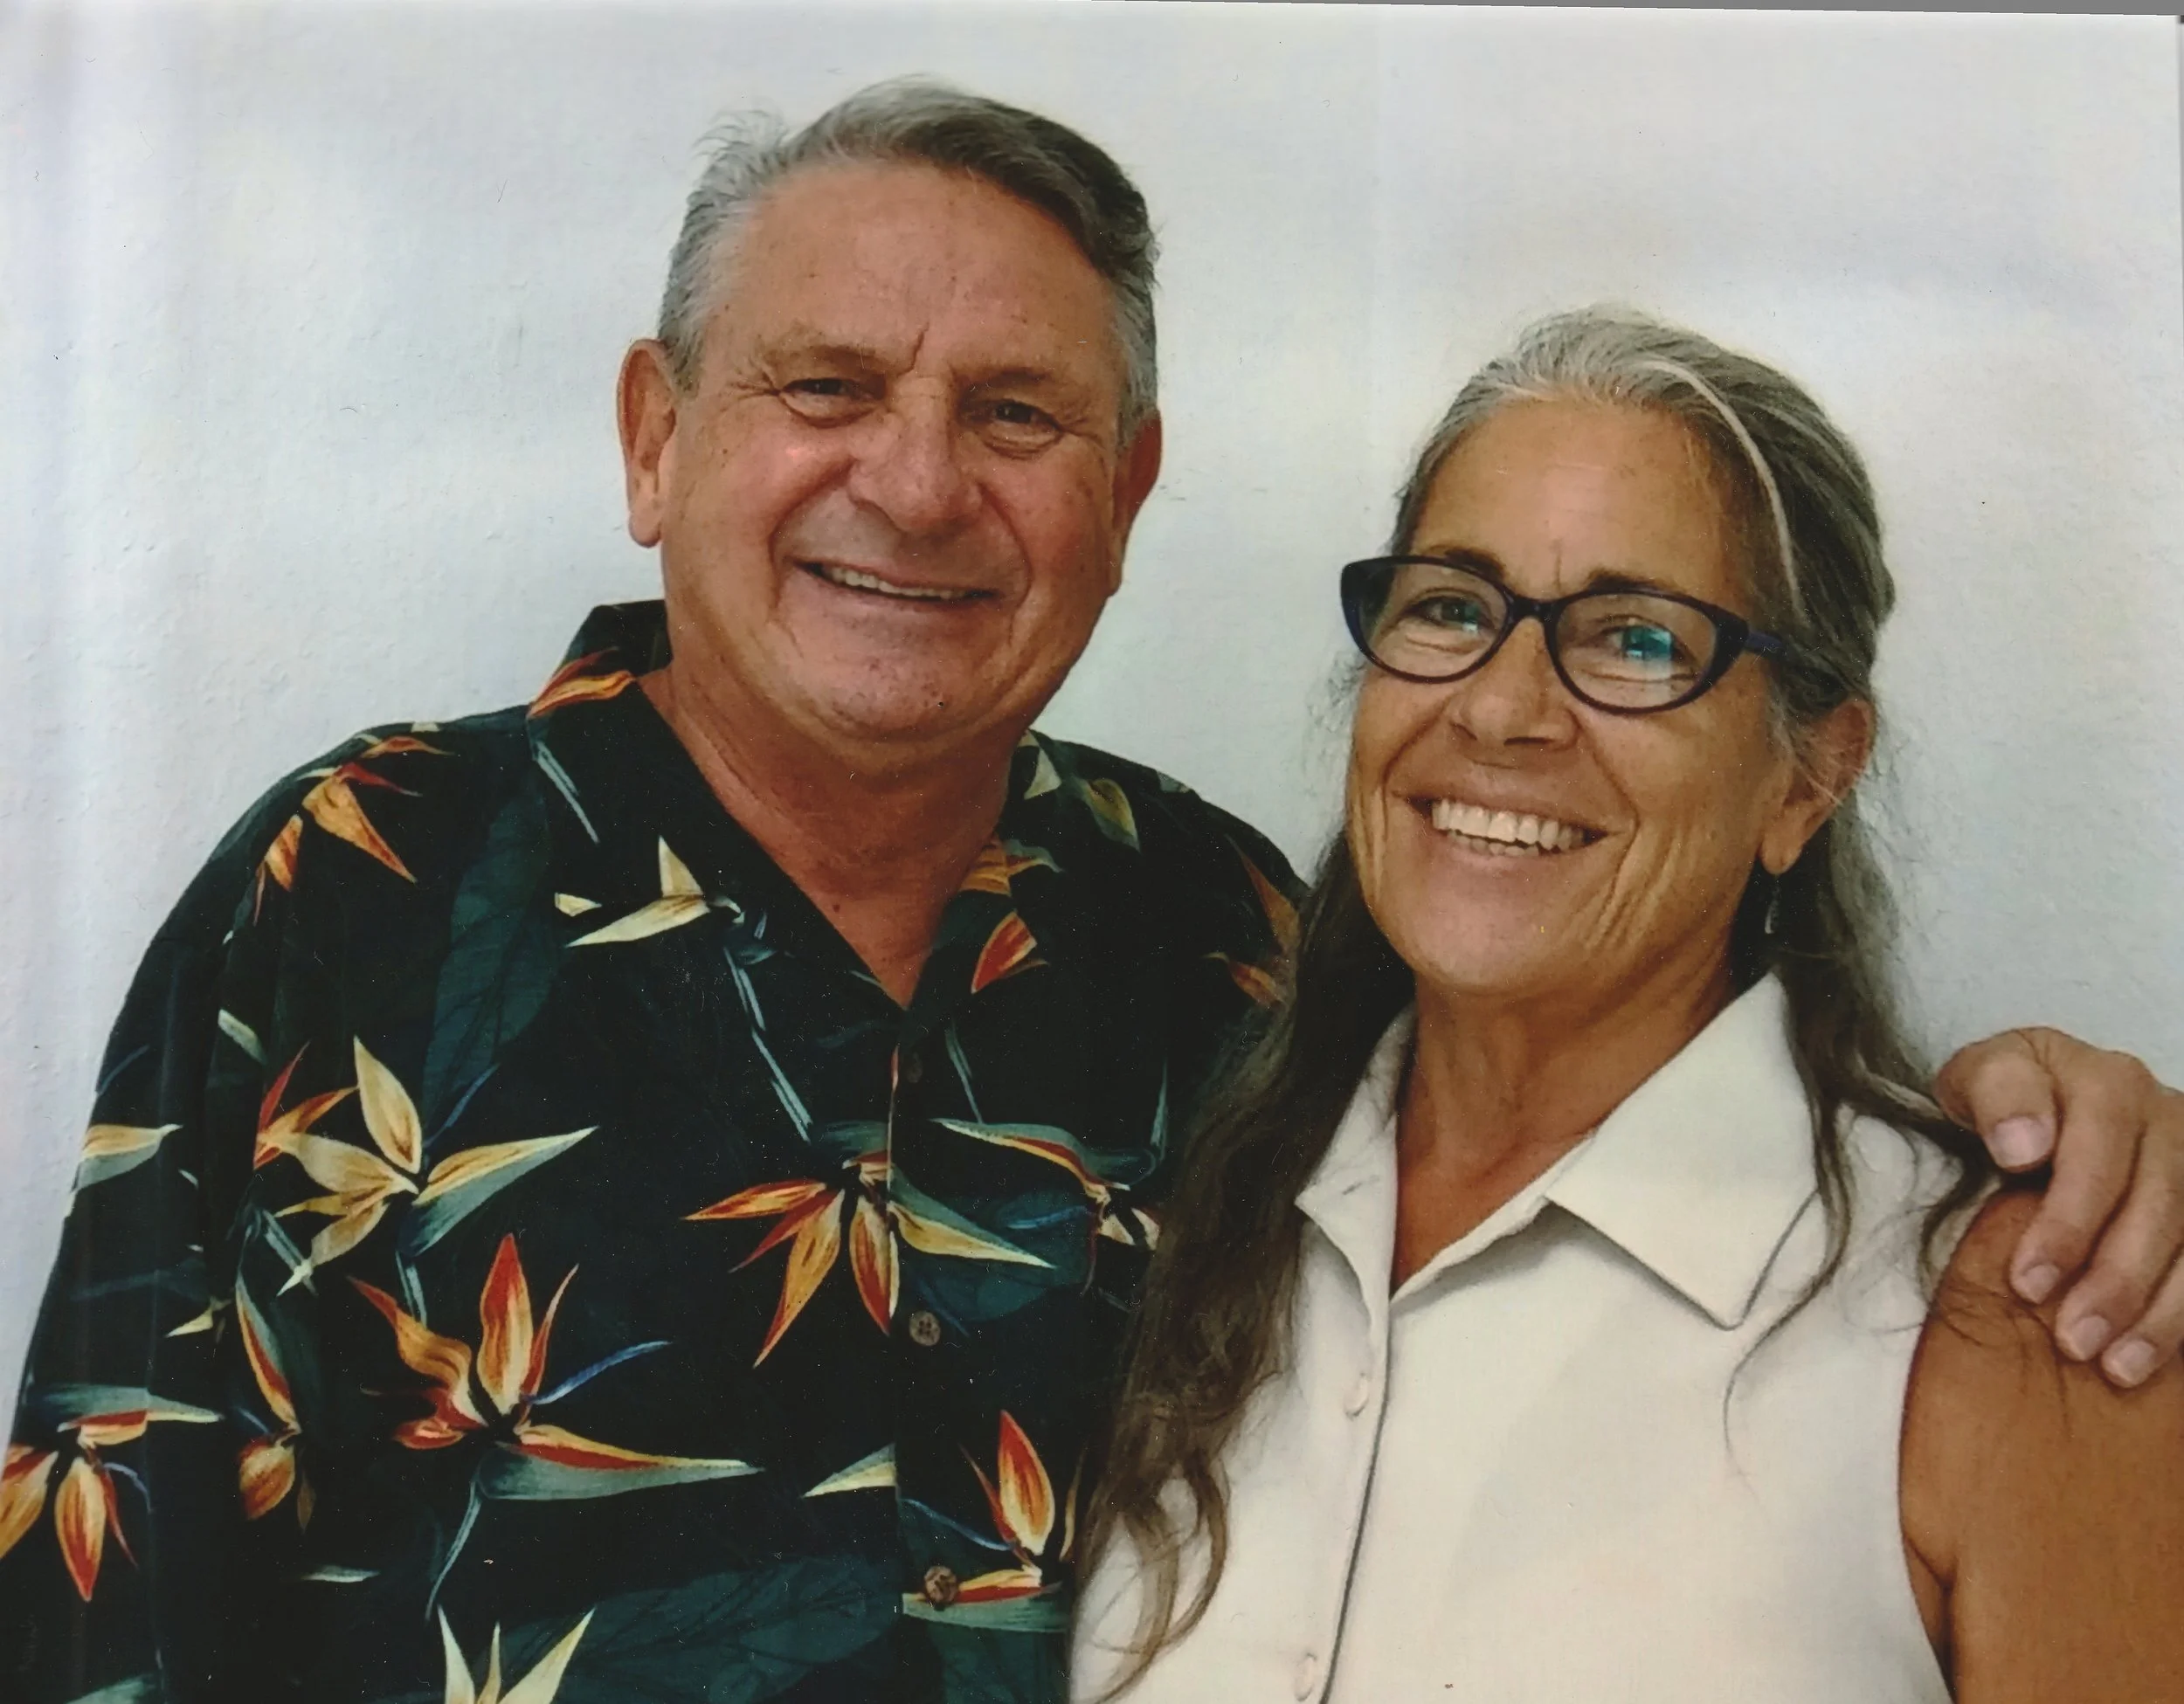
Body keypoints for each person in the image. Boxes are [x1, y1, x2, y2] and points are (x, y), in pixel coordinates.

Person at [0, 83, 2176, 1704]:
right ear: (657, 435)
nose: (918, 480)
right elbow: (101, 1603)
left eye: (1018, 412)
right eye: (825, 385)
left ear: (1124, 496)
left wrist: (2031, 1110)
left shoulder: (1215, 945)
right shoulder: (353, 894)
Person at [1074, 310, 2184, 1701]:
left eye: (1640, 641)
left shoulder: (2017, 1316)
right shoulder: (1195, 1190)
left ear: (1808, 778)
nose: (1503, 707)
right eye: (1451, 607)